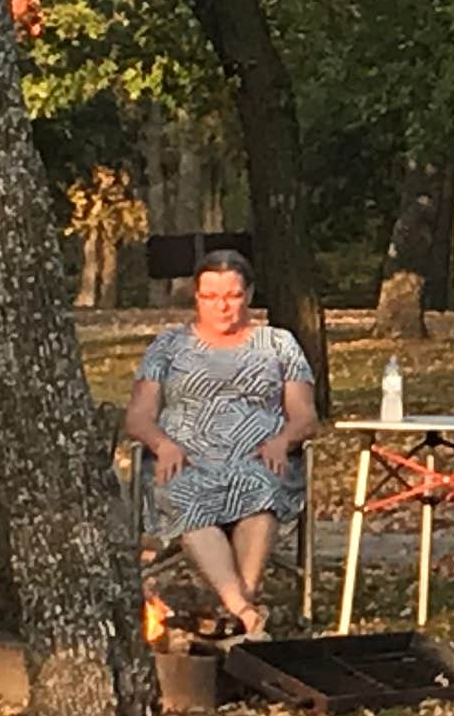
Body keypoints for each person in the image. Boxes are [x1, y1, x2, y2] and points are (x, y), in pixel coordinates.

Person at [124, 251, 317, 636]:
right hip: (186, 460)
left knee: (260, 490)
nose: (222, 306)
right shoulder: (170, 345)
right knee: (187, 496)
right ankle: (244, 610)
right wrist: (162, 444)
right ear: (196, 297)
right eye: (210, 296)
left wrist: (283, 440)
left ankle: (237, 611)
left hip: (257, 458)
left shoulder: (278, 344)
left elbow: (305, 415)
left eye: (232, 295)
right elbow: (137, 417)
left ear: (249, 295)